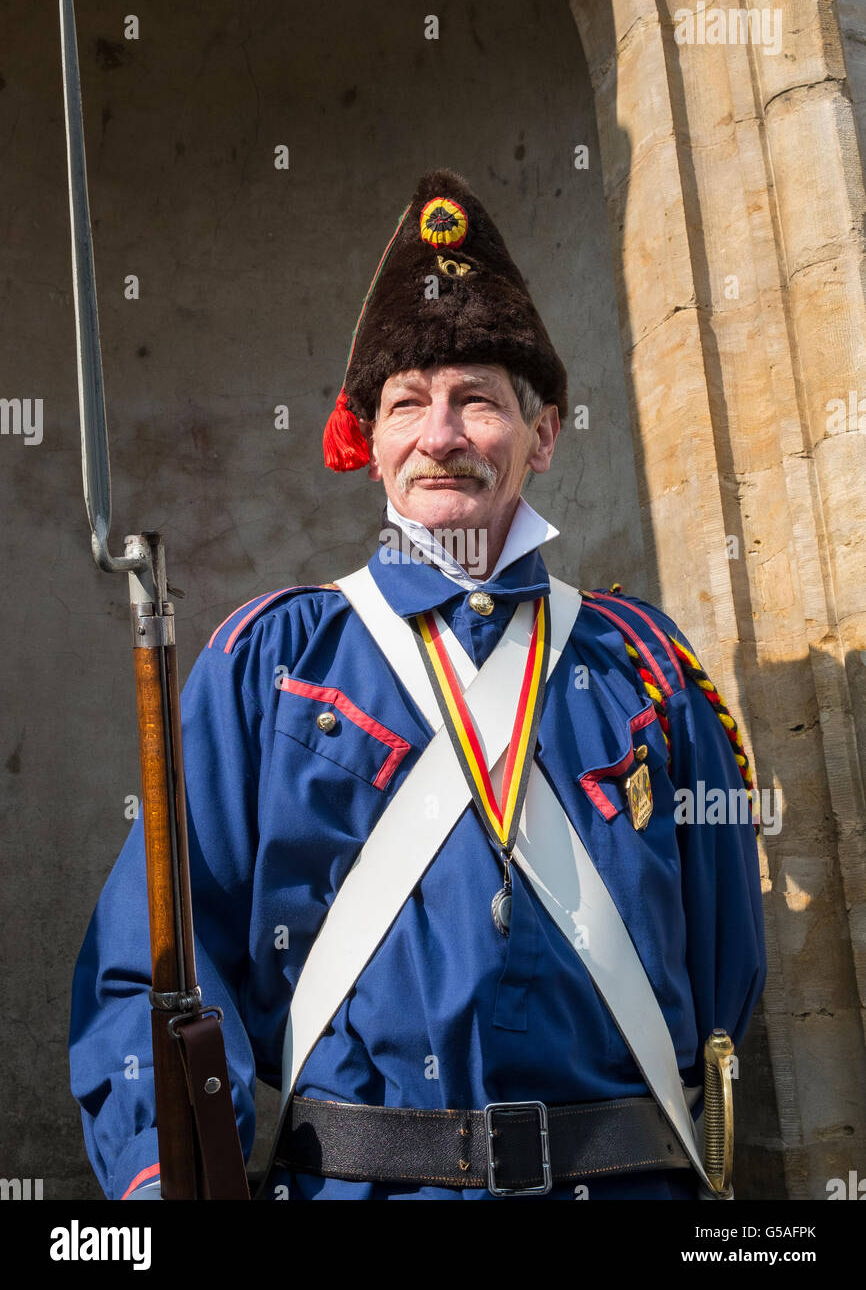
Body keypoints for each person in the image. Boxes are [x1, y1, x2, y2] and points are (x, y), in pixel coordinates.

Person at [69, 167, 766, 1201]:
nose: (440, 436)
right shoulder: (272, 662)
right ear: (371, 444)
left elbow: (722, 968)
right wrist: (164, 1176)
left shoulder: (644, 665)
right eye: (407, 404)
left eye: (476, 401)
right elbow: (152, 965)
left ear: (542, 434)